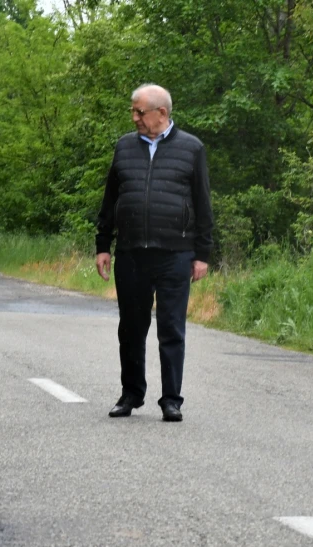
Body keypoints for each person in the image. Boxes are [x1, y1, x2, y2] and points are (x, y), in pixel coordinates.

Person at [95, 83, 214, 423]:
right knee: (131, 327)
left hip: (175, 253)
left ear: (161, 113)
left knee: (171, 328)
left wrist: (202, 253)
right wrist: (103, 245)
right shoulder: (124, 147)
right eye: (133, 111)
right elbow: (110, 200)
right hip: (131, 252)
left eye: (139, 112)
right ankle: (131, 393)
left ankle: (171, 399)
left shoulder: (191, 148)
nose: (134, 117)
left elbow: (203, 204)